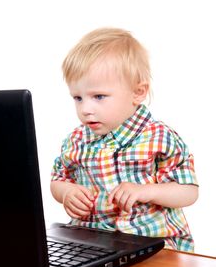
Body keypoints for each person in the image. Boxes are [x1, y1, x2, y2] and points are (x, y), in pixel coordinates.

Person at [50, 27, 198, 252]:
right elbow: (58, 180)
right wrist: (66, 193)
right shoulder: (76, 140)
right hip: (94, 244)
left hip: (154, 245)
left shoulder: (158, 137)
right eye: (78, 98)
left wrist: (145, 191)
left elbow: (188, 191)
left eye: (99, 96)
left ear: (137, 93)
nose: (86, 109)